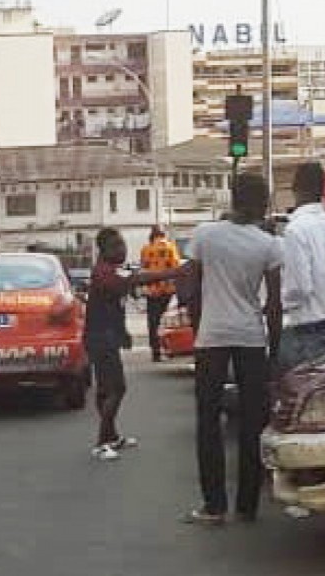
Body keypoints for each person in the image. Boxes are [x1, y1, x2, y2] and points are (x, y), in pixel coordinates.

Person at [180, 172, 283, 526]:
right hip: (251, 337)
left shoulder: (205, 235)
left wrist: (198, 328)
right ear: (261, 203)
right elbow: (274, 305)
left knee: (208, 421)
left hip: (212, 337)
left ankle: (214, 506)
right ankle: (247, 506)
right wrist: (275, 349)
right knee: (252, 422)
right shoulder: (268, 245)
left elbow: (189, 287)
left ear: (232, 197)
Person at [84, 228, 188, 462]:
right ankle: (101, 443)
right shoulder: (104, 273)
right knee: (116, 388)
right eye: (116, 247)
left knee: (105, 389)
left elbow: (118, 303)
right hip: (100, 338)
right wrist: (175, 272)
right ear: (104, 250)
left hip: (105, 336)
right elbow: (136, 280)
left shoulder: (111, 270)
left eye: (122, 245)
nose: (122, 250)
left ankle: (112, 436)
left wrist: (124, 332)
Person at [278, 162, 325, 374]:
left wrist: (281, 302)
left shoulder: (295, 230)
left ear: (295, 190)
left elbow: (299, 287)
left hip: (305, 328)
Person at [140, 225, 181, 363]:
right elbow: (176, 267)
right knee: (168, 321)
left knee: (153, 322)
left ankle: (155, 352)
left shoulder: (146, 249)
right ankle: (169, 349)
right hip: (168, 290)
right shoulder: (171, 247)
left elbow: (144, 268)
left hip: (152, 291)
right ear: (164, 234)